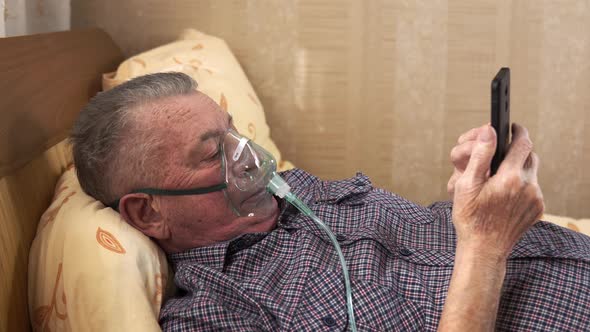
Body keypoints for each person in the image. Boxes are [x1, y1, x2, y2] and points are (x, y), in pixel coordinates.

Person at [71, 72, 590, 331]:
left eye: (233, 134)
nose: (247, 156)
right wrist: (487, 244)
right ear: (147, 212)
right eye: (213, 155)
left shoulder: (299, 195)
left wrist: (466, 201)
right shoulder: (218, 313)